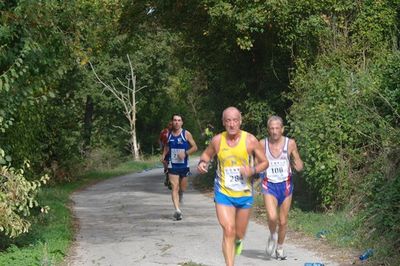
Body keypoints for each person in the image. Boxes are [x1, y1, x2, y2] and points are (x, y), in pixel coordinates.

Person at [197, 107, 268, 266]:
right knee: (228, 229)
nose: (232, 124)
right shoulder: (217, 140)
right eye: (228, 120)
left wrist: (253, 170)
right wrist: (203, 163)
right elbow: (207, 155)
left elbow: (265, 162)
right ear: (223, 122)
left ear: (240, 121)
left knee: (238, 233)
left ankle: (238, 240)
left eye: (235, 120)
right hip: (223, 192)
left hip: (244, 193)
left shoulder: (250, 140)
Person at [260, 115, 303, 260]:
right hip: (269, 185)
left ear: (282, 129)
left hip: (285, 185)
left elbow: (298, 163)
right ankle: (272, 235)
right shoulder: (262, 144)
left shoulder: (290, 143)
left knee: (283, 221)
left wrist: (297, 164)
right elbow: (256, 162)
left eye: (277, 128)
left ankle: (280, 248)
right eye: (271, 128)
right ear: (268, 130)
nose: (274, 131)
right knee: (272, 217)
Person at [161, 114, 197, 221]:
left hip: (184, 165)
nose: (177, 122)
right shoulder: (168, 135)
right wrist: (163, 156)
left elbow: (195, 147)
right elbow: (167, 147)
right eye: (175, 120)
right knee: (174, 187)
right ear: (172, 122)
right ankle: (177, 210)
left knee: (182, 188)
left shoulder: (186, 134)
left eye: (179, 120)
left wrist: (185, 153)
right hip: (173, 165)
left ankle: (181, 194)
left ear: (182, 122)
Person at [159, 121, 172, 188]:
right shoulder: (163, 132)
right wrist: (161, 148)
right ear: (168, 125)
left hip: (173, 151)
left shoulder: (175, 132)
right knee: (165, 164)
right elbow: (160, 140)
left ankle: (172, 180)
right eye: (170, 124)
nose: (171, 126)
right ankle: (167, 177)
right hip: (165, 150)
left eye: (172, 125)